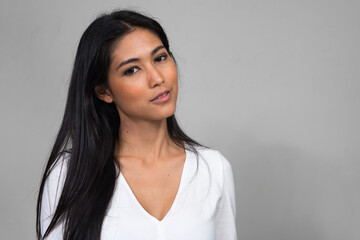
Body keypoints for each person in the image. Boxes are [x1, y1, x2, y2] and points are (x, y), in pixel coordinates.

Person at [36, 9, 237, 240]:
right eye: (132, 70)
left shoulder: (213, 170)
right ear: (104, 91)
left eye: (160, 58)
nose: (157, 78)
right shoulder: (69, 175)